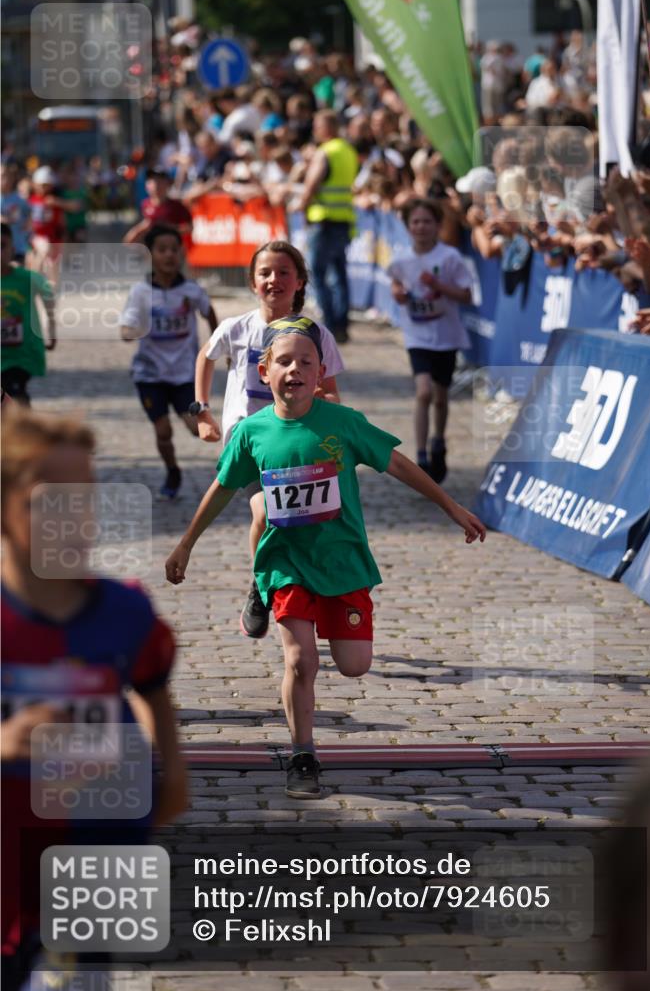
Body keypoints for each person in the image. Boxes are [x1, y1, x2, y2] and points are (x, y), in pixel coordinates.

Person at [165, 319, 486, 799]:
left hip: (342, 562)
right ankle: (302, 754)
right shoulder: (251, 432)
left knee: (354, 664)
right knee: (301, 660)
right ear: (264, 371)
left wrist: (450, 506)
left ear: (320, 373)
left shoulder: (343, 423)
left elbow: (398, 464)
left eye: (306, 362)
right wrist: (186, 542)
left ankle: (312, 711)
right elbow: (222, 488)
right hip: (286, 562)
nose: (295, 369)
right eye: (284, 361)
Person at [1, 408, 188, 991]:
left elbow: (153, 687)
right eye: (49, 501)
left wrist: (165, 776)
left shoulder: (125, 612)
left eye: (85, 499)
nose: (74, 518)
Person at [192, 240, 345, 639]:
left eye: (283, 272)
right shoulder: (237, 328)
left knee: (296, 525)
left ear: (300, 282)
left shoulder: (317, 335)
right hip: (250, 446)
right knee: (264, 514)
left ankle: (299, 592)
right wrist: (202, 411)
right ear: (252, 282)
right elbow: (206, 357)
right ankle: (261, 588)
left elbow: (332, 395)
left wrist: (319, 400)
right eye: (265, 273)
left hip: (296, 446)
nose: (273, 279)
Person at [120, 223, 217, 499]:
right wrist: (130, 331)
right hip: (150, 375)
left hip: (185, 374)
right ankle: (172, 471)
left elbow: (209, 312)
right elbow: (127, 326)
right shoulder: (140, 292)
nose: (169, 255)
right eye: (162, 250)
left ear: (181, 253)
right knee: (163, 431)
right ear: (150, 254)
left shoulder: (191, 290)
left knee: (196, 429)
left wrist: (218, 343)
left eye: (174, 249)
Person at [388, 198, 473, 483]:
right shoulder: (401, 260)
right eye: (415, 222)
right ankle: (421, 453)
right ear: (407, 226)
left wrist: (439, 286)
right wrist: (398, 293)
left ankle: (438, 440)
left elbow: (467, 295)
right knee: (423, 391)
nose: (421, 227)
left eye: (427, 221)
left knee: (440, 396)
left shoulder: (449, 257)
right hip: (417, 335)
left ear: (438, 225)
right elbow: (395, 284)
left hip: (446, 336)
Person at [292, 109, 358, 343]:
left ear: (327, 127)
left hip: (323, 220)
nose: (314, 130)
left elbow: (312, 184)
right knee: (340, 273)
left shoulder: (325, 152)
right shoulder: (348, 150)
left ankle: (329, 326)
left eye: (317, 126)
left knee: (318, 274)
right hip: (344, 220)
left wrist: (301, 205)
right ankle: (342, 325)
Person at [1, 222, 56, 405]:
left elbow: (48, 295)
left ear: (12, 249)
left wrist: (51, 328)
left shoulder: (26, 278)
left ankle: (22, 421)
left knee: (16, 397)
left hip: (20, 355)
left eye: (2, 246)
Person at [123, 167, 192, 244]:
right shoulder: (145, 204)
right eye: (152, 180)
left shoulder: (177, 206)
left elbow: (189, 228)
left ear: (168, 184)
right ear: (146, 186)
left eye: (160, 180)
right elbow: (141, 229)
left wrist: (169, 229)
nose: (156, 184)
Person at [0, 164, 31, 263]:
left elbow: (28, 215)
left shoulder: (19, 200)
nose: (3, 180)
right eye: (1, 176)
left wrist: (27, 225)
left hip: (16, 248)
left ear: (12, 179)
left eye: (6, 176)